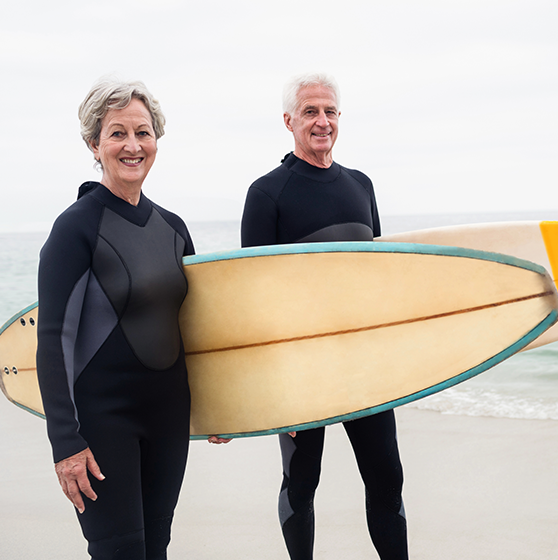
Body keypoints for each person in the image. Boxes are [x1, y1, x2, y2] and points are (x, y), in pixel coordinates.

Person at [211, 73, 409, 559]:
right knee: (302, 483)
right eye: (310, 112)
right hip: (301, 372)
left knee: (387, 480)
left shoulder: (361, 186)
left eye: (330, 112)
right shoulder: (267, 194)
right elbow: (251, 300)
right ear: (289, 121)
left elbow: (375, 277)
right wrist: (265, 390)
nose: (322, 122)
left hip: (365, 367)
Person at [36, 77, 195, 560]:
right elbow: (53, 339)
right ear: (94, 143)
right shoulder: (75, 228)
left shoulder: (174, 229)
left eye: (143, 133)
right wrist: (65, 442)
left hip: (169, 418)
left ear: (156, 140)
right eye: (118, 133)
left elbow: (197, 332)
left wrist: (225, 405)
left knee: (157, 548)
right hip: (103, 422)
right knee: (120, 552)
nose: (133, 146)